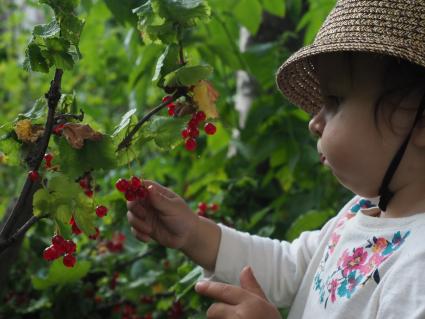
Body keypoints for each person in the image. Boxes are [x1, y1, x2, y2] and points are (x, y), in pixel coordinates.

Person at [127, 0, 425, 318]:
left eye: (335, 101)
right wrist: (193, 233)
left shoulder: (417, 267)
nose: (314, 122)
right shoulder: (359, 210)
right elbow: (289, 267)